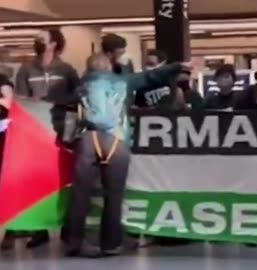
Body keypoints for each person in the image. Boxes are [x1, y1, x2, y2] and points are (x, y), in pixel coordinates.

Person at [65, 53, 185, 258]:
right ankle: (111, 243)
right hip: (116, 140)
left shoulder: (82, 84)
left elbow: (70, 110)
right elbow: (151, 77)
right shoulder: (123, 82)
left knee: (80, 194)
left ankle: (74, 241)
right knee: (114, 195)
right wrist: (177, 65)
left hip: (88, 139)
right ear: (109, 66)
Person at [12, 28, 79, 249]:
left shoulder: (66, 69)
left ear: (53, 44)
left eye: (43, 38)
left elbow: (77, 94)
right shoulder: (26, 69)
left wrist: (55, 99)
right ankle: (39, 228)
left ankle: (68, 225)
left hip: (61, 127)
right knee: (38, 177)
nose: (38, 41)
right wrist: (31, 99)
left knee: (64, 176)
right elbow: (19, 97)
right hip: (34, 130)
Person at [0, 75, 16, 251]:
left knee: (6, 187)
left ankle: (11, 231)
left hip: (3, 139)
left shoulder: (2, 81)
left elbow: (10, 104)